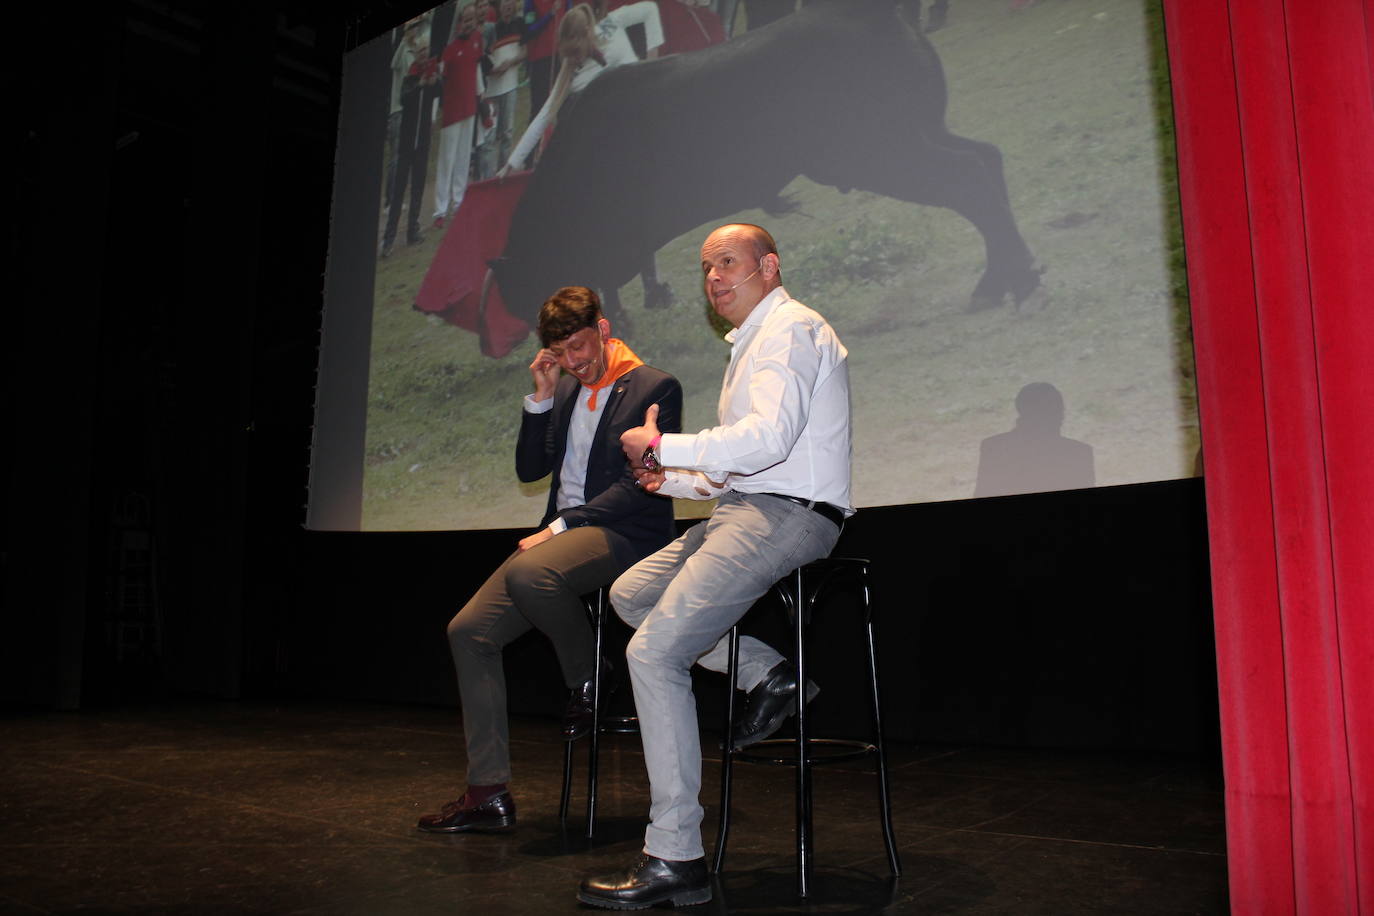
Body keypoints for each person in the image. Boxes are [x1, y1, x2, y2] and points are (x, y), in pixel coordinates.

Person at [576, 224, 852, 908]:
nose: (714, 278)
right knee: (633, 593)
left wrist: (665, 444)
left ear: (769, 265)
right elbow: (731, 469)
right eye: (705, 269)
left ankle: (676, 857)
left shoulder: (789, 329)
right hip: (747, 507)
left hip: (787, 514)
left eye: (727, 263)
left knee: (653, 654)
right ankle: (770, 673)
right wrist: (663, 479)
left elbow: (769, 440)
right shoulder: (755, 342)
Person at [417, 286, 683, 834]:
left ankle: (590, 678)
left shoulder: (654, 385)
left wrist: (562, 526)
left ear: (603, 330)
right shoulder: (561, 389)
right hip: (561, 537)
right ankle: (487, 792)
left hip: (625, 531)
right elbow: (528, 470)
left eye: (582, 347)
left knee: (529, 569)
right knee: (468, 632)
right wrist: (540, 398)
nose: (575, 362)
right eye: (562, 354)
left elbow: (643, 486)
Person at [432, 2, 488, 229]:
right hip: (452, 112)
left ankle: (459, 201)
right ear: (458, 23)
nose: (469, 24)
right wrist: (433, 114)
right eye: (465, 20)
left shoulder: (477, 40)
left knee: (465, 156)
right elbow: (439, 85)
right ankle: (440, 210)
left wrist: (481, 98)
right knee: (447, 160)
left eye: (472, 20)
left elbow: (476, 70)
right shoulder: (449, 50)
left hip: (469, 109)